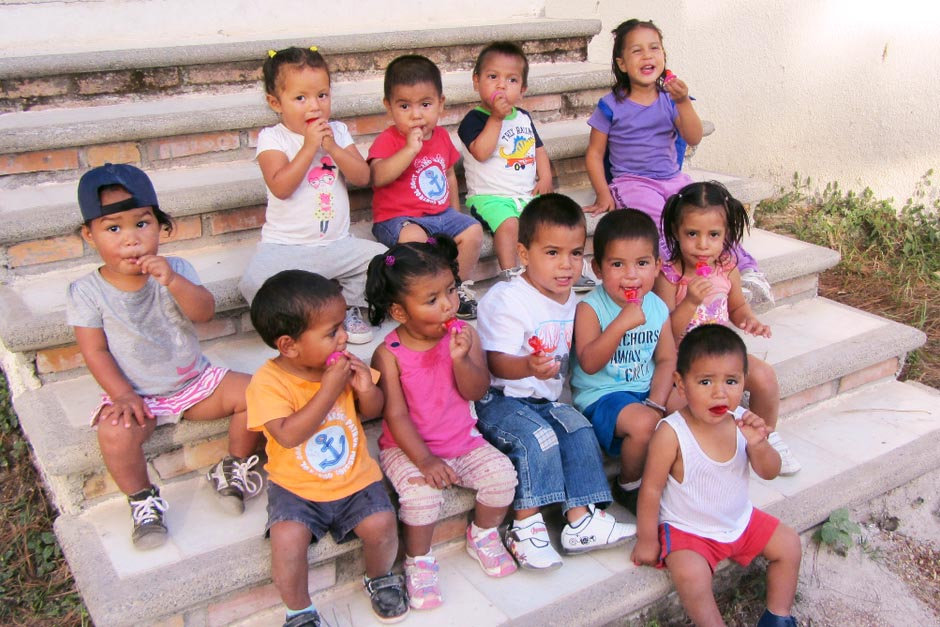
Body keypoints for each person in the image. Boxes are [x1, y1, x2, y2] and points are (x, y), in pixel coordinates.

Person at [67, 163, 262, 550]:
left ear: (162, 227)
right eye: (113, 228)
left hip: (194, 383)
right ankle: (142, 500)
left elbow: (203, 313)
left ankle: (233, 467)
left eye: (142, 224)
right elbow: (95, 349)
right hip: (136, 395)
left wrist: (172, 281)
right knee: (114, 435)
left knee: (258, 392)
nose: (130, 239)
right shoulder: (87, 291)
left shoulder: (177, 269)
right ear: (90, 235)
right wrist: (122, 395)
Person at [473, 193, 636, 570]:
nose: (566, 266)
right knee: (538, 438)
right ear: (524, 254)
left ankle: (580, 520)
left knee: (578, 428)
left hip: (541, 399)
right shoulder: (507, 298)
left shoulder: (569, 298)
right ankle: (526, 526)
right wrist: (528, 367)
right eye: (552, 253)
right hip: (499, 398)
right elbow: (494, 362)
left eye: (575, 253)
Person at [365, 236, 519, 610]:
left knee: (503, 476)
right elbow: (395, 415)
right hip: (408, 448)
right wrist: (424, 461)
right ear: (400, 312)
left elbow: (476, 390)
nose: (449, 304)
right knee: (420, 500)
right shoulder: (388, 355)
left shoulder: (464, 336)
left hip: (462, 440)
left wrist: (463, 360)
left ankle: (482, 535)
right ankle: (418, 560)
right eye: (432, 300)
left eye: (451, 290)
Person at [246, 270, 407, 626]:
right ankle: (299, 609)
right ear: (289, 345)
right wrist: (330, 390)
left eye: (342, 326)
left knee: (382, 523)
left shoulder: (343, 367)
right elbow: (288, 435)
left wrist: (366, 388)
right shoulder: (268, 382)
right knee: (287, 541)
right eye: (332, 331)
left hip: (355, 478)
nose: (345, 337)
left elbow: (373, 411)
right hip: (296, 487)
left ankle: (379, 577)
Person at [583, 19, 773, 304]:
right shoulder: (611, 105)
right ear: (622, 64)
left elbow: (693, 136)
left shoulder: (671, 100)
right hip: (633, 182)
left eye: (654, 48)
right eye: (637, 51)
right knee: (660, 221)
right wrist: (602, 191)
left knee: (707, 214)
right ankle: (680, 276)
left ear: (663, 57)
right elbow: (595, 153)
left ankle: (746, 271)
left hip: (673, 178)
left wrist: (684, 103)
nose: (648, 55)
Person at [631, 324, 801, 627]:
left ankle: (778, 616)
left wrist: (759, 445)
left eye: (731, 381)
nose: (719, 392)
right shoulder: (671, 433)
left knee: (789, 545)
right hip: (689, 530)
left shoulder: (742, 424)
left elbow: (770, 472)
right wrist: (647, 539)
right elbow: (651, 490)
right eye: (705, 381)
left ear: (744, 383)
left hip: (739, 520)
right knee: (691, 577)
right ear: (681, 386)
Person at [238, 46, 384, 344]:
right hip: (286, 247)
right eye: (300, 98)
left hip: (337, 245)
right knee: (253, 283)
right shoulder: (273, 138)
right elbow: (281, 186)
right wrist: (308, 147)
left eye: (322, 95)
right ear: (275, 102)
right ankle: (303, 320)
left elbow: (362, 176)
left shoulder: (338, 132)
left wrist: (332, 148)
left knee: (383, 260)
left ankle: (349, 307)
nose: (314, 106)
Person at [653, 180, 800, 475]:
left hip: (723, 354)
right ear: (675, 233)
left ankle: (765, 436)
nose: (703, 245)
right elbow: (664, 332)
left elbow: (736, 308)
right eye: (692, 234)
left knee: (765, 377)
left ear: (726, 235)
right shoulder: (670, 276)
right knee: (676, 404)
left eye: (713, 235)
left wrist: (749, 320)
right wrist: (690, 301)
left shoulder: (727, 268)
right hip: (685, 362)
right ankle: (708, 448)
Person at [456, 41, 594, 292]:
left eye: (511, 80)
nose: (501, 85)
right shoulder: (473, 120)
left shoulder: (523, 117)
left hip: (525, 195)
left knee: (553, 221)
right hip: (490, 199)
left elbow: (537, 148)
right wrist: (496, 118)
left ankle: (566, 268)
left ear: (522, 89)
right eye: (492, 77)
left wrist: (545, 178)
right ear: (476, 81)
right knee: (510, 225)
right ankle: (512, 276)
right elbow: (481, 152)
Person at [570, 210, 679, 513]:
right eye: (618, 264)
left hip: (645, 389)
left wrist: (658, 401)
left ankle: (684, 475)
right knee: (645, 424)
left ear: (657, 266)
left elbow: (668, 358)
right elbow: (589, 363)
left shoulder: (656, 305)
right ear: (598, 269)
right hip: (602, 395)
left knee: (691, 403)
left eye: (642, 263)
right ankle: (629, 484)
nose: (631, 275)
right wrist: (619, 324)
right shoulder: (590, 308)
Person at [368, 54, 483, 319]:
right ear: (389, 107)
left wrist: (454, 213)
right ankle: (422, 294)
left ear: (440, 104)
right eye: (405, 106)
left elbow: (449, 175)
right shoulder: (389, 139)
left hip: (440, 215)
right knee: (415, 240)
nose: (416, 114)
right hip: (397, 219)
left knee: (473, 231)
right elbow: (377, 176)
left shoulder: (442, 136)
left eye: (426, 104)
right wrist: (409, 149)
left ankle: (456, 287)